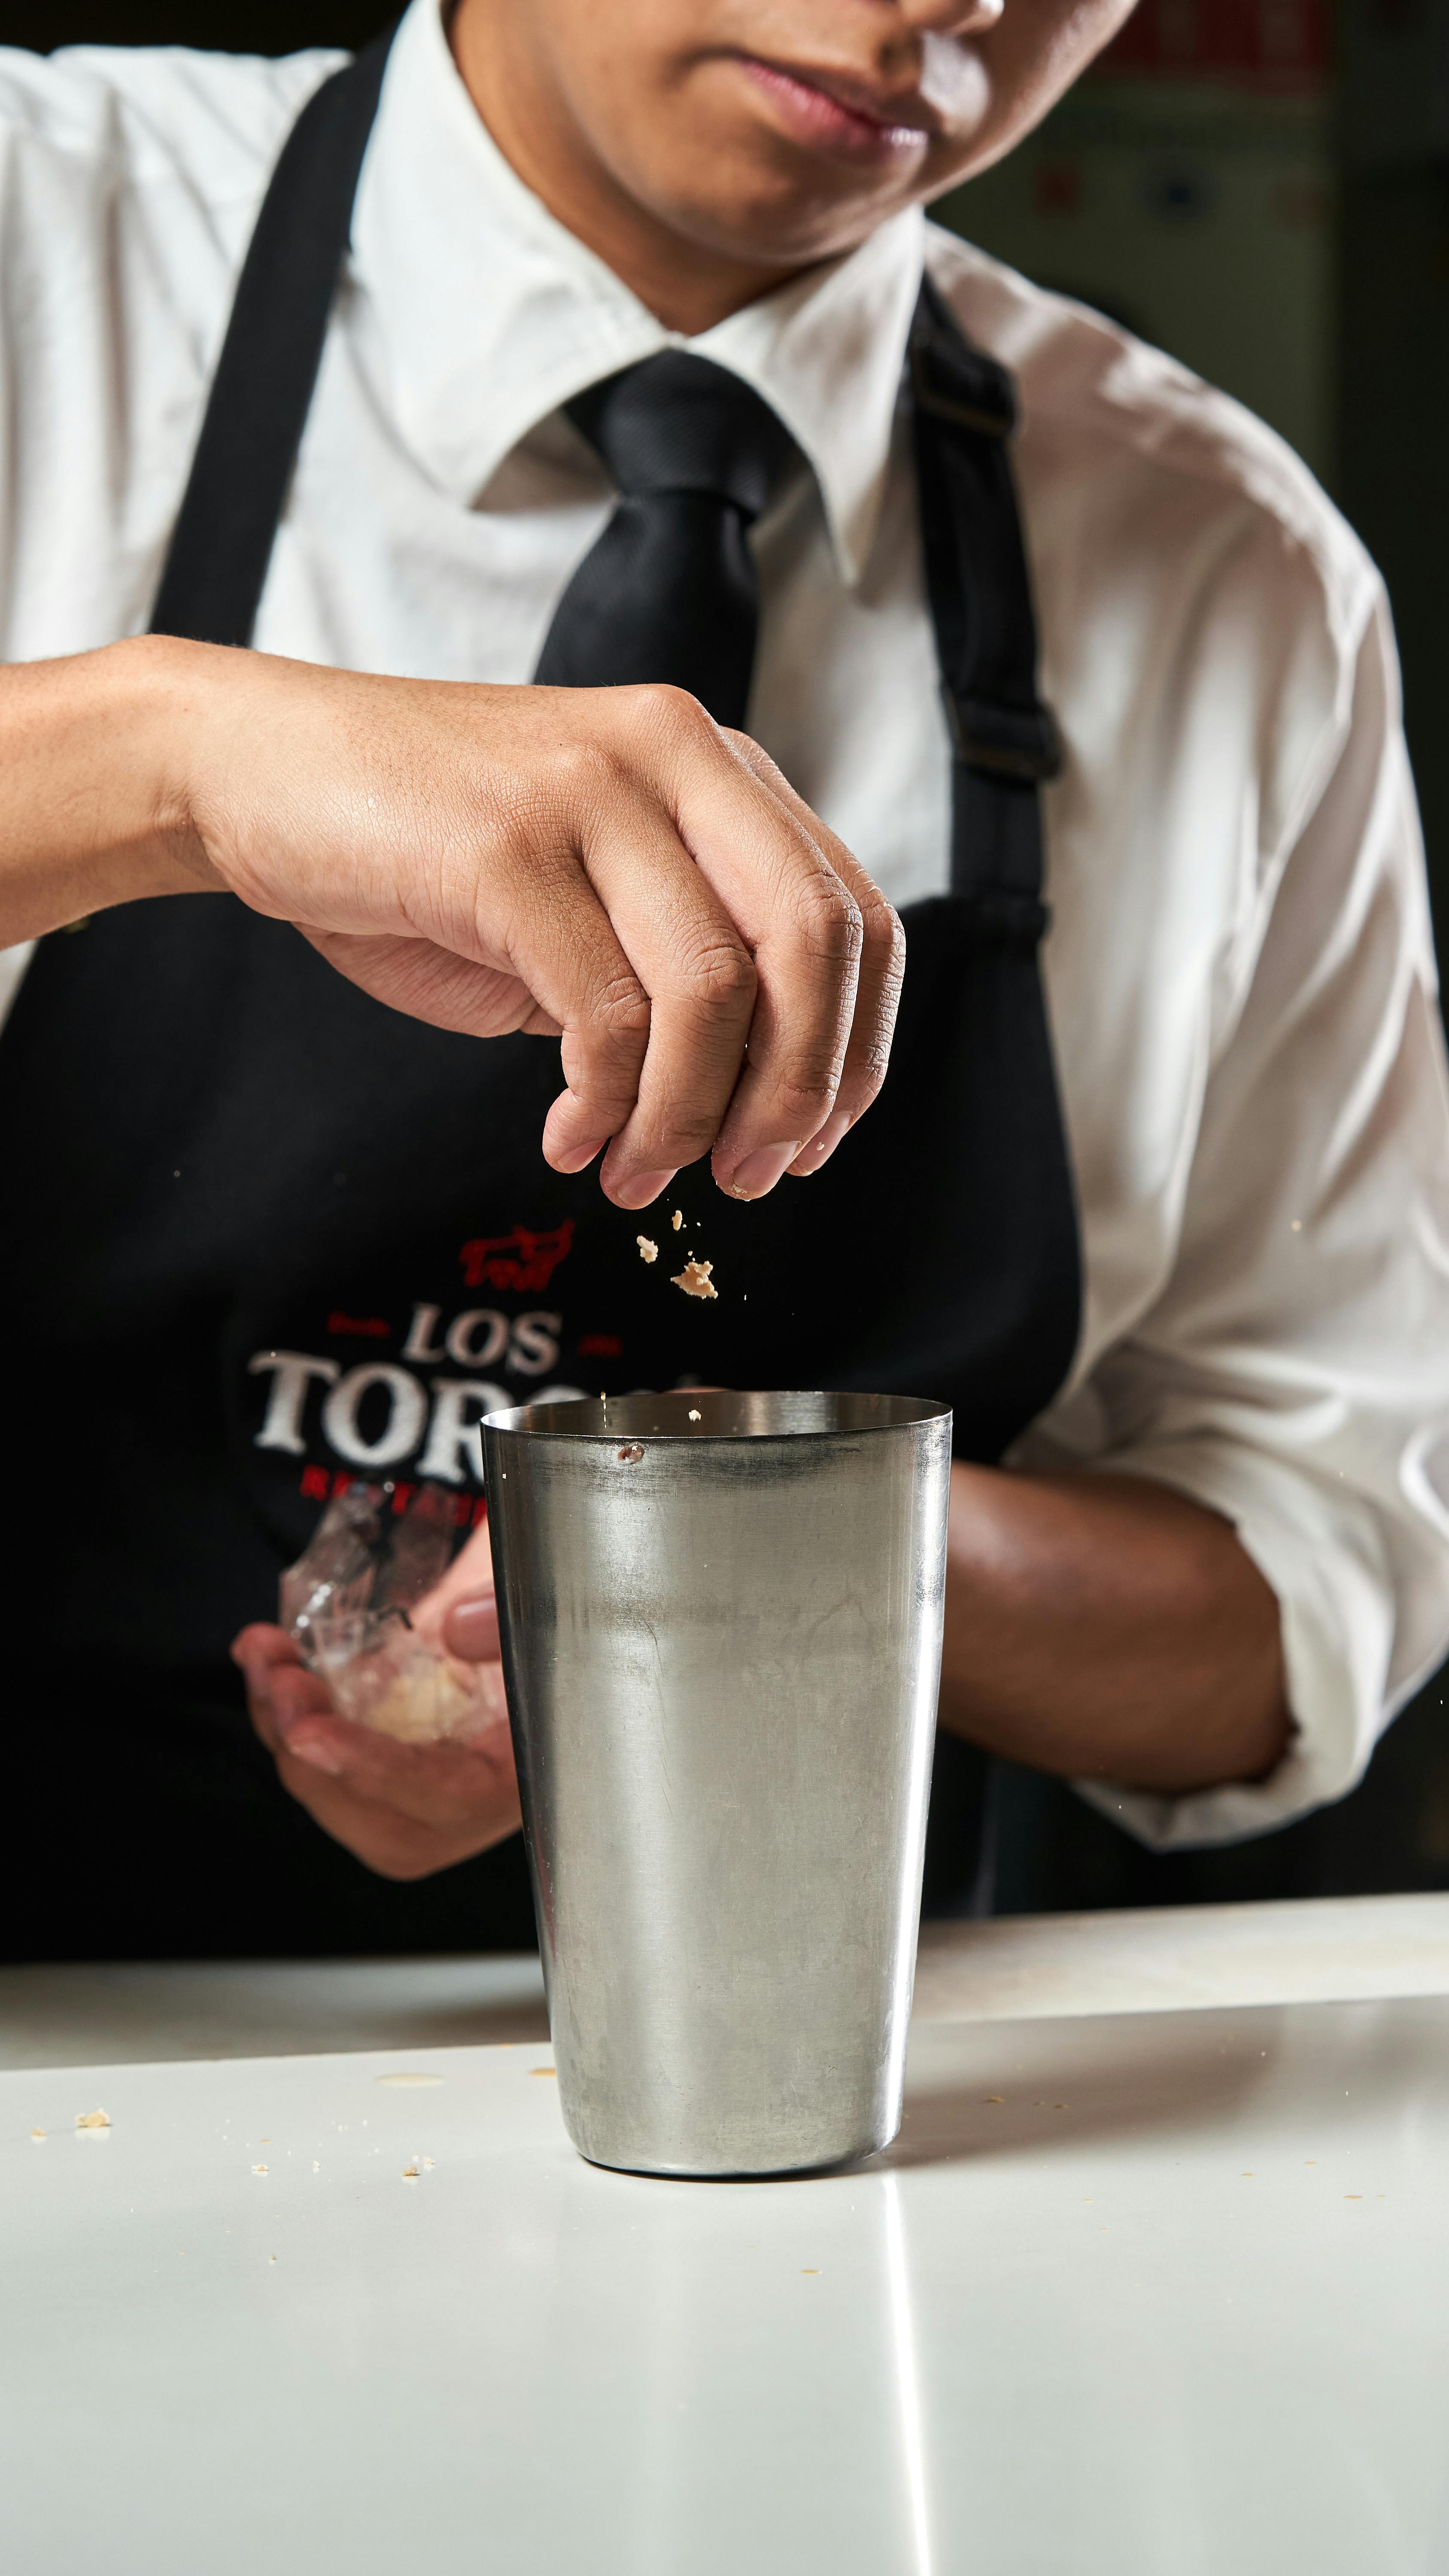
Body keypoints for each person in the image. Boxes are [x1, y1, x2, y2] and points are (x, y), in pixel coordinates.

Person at [2, 0, 1447, 1958]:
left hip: (827, 2091)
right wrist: (164, 759)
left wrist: (773, 1542)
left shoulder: (1228, 571)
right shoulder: (41, 230)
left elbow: (1300, 1605)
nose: (951, 3)